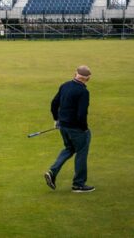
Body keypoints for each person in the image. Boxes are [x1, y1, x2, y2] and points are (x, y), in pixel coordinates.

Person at [44, 65, 95, 193]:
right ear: (87, 79)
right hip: (76, 129)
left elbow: (54, 104)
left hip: (63, 126)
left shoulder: (65, 85)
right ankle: (78, 184)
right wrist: (84, 129)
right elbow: (82, 114)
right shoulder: (83, 92)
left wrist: (56, 120)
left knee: (69, 148)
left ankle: (52, 171)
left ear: (75, 74)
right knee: (81, 153)